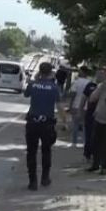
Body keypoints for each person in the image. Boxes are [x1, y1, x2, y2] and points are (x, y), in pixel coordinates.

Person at [23, 61, 61, 191]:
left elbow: (26, 94)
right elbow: (59, 104)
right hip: (47, 124)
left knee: (31, 152)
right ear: (51, 72)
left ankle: (32, 181)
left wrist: (35, 78)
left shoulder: (33, 85)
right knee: (46, 151)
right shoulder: (54, 87)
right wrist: (65, 122)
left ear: (39, 71)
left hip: (33, 123)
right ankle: (45, 178)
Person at [81, 68, 103, 162]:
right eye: (98, 74)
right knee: (89, 135)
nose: (99, 76)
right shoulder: (90, 86)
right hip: (90, 113)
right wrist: (80, 110)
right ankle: (87, 154)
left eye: (101, 74)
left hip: (102, 114)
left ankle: (96, 154)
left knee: (98, 135)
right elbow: (83, 98)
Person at [68, 66, 92, 147]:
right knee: (85, 125)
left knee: (75, 124)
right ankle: (85, 143)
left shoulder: (76, 82)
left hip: (76, 105)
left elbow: (73, 94)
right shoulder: (90, 83)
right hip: (86, 106)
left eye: (80, 71)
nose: (78, 72)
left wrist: (70, 105)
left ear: (82, 72)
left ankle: (74, 142)